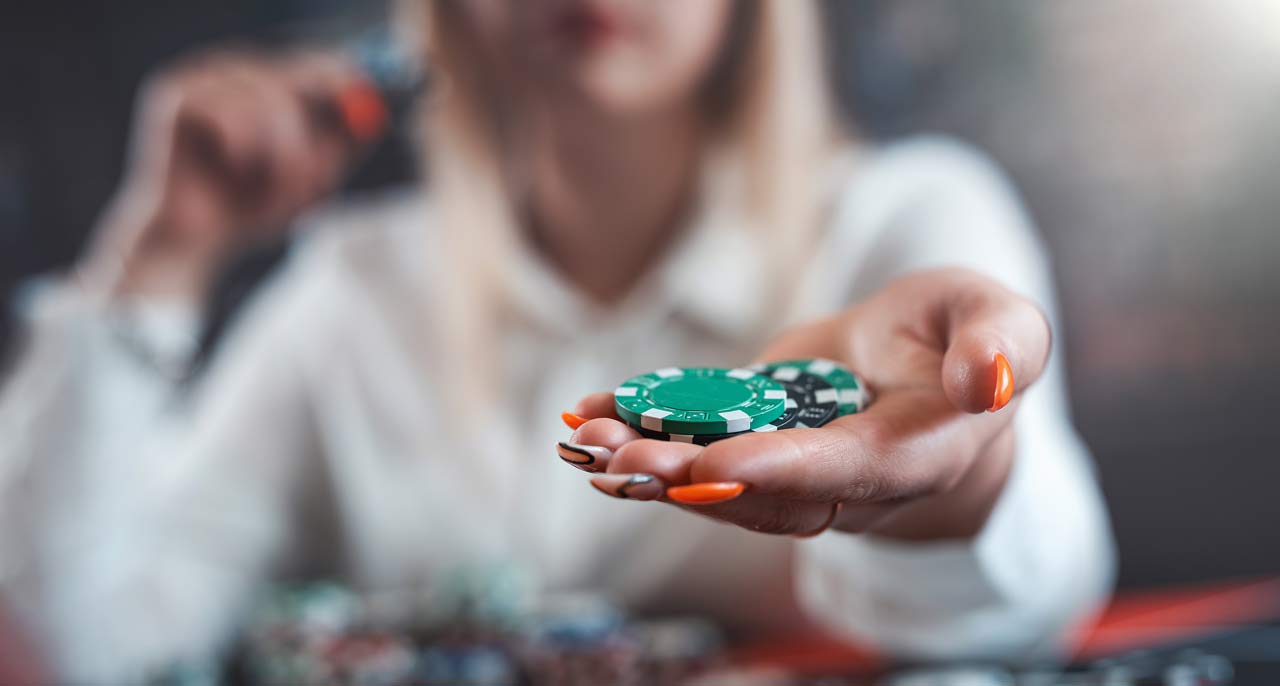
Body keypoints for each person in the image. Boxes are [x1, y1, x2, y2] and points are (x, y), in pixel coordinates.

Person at [0, 0, 1115, 680]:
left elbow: (1037, 603)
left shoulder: (906, 214)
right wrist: (160, 252)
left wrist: (954, 479)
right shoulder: (349, 289)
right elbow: (83, 648)